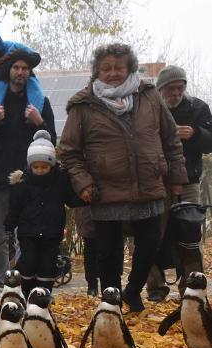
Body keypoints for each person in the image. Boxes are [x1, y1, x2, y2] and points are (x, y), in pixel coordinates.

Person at [58, 43, 187, 312]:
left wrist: (176, 176)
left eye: (119, 67)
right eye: (106, 68)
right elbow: (69, 152)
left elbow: (170, 136)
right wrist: (84, 183)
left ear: (129, 67)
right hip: (104, 189)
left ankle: (132, 290)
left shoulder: (149, 95)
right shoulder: (83, 105)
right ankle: (111, 301)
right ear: (97, 71)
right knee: (108, 251)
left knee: (151, 242)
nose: (113, 73)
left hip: (149, 183)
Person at [0, 50, 56, 295]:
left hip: (28, 180)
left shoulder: (39, 103)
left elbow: (52, 141)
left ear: (30, 72)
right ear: (9, 71)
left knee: (24, 235)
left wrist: (39, 122)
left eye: (24, 68)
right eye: (16, 67)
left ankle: (24, 285)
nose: (20, 72)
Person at [146, 65, 212, 299]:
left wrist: (195, 134)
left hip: (189, 183)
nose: (176, 93)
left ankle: (192, 286)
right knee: (151, 234)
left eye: (180, 87)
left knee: (190, 236)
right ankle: (155, 286)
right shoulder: (150, 108)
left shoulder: (199, 108)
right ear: (161, 89)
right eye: (171, 89)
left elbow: (210, 143)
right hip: (156, 182)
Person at [4, 131, 82, 297]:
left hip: (52, 232)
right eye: (36, 167)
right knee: (28, 262)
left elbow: (70, 199)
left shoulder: (60, 181)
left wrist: (84, 198)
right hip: (28, 232)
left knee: (48, 265)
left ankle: (43, 294)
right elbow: (15, 207)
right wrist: (9, 226)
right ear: (30, 165)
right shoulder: (22, 183)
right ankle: (26, 292)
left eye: (44, 167)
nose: (40, 170)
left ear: (52, 165)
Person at [0, 24, 46, 114]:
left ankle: (35, 112)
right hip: (4, 80)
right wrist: (6, 61)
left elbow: (34, 57)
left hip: (27, 79)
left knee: (35, 89)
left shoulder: (13, 47)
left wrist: (17, 58)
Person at [74, 206, 99, 297]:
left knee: (112, 248)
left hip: (113, 208)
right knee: (90, 248)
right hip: (88, 209)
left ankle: (111, 285)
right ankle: (92, 285)